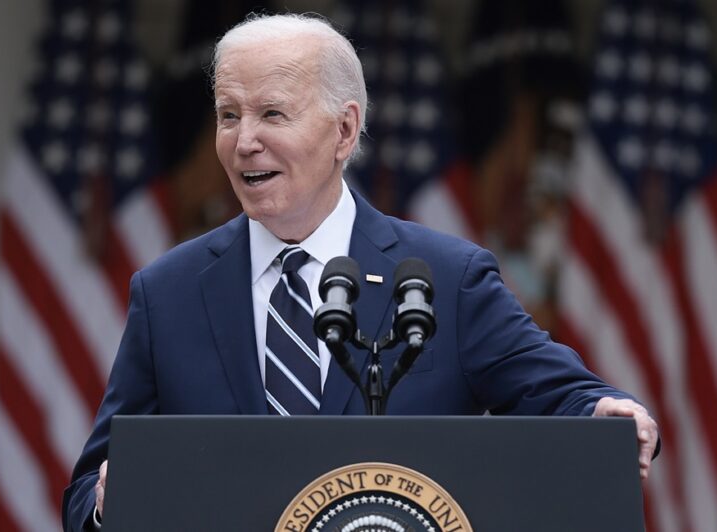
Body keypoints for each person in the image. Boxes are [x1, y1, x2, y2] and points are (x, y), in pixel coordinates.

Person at [62, 13, 659, 531]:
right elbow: (88, 491)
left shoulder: (445, 279)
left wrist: (605, 414)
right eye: (228, 115)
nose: (244, 141)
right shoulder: (168, 292)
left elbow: (562, 395)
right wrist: (107, 502)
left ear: (344, 130)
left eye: (272, 113)